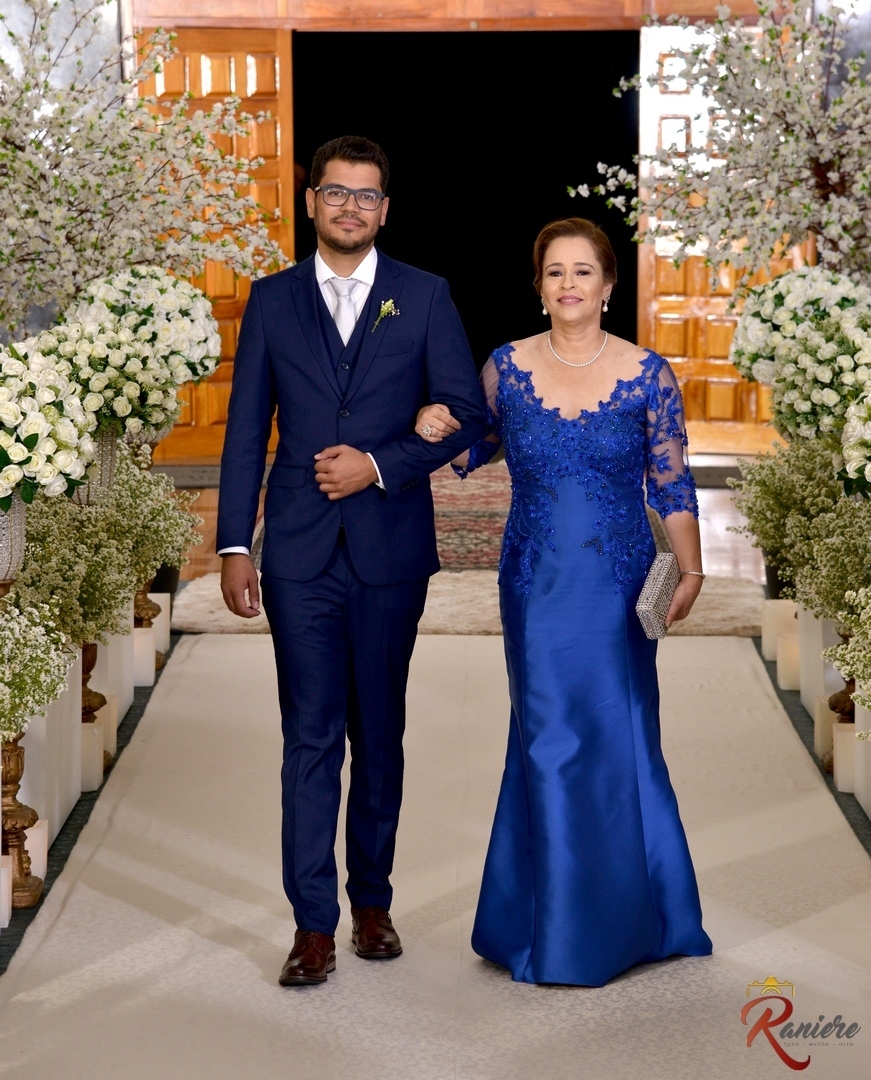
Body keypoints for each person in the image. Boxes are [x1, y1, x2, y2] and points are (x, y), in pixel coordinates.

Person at [217, 135, 487, 986]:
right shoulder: (270, 300)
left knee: (377, 730)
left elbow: (467, 412)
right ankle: (312, 926)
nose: (349, 207)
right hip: (297, 554)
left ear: (384, 210)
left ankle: (372, 902)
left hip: (388, 551)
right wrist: (234, 543)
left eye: (366, 195)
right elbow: (244, 431)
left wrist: (378, 463)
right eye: (335, 191)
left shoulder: (425, 295)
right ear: (310, 202)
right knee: (309, 734)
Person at [415, 217, 713, 986]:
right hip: (535, 584)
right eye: (555, 272)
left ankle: (641, 915)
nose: (568, 284)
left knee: (621, 735)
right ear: (538, 286)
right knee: (547, 739)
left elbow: (670, 482)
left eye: (583, 271)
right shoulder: (506, 367)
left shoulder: (647, 374)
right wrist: (435, 423)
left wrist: (690, 568)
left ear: (608, 285)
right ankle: (555, 929)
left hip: (618, 584)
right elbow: (472, 447)